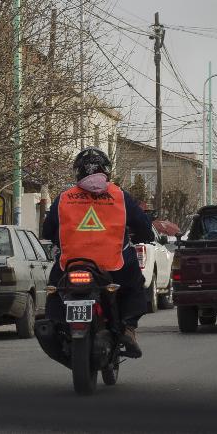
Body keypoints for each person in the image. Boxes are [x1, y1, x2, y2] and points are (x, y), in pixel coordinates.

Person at [42, 147, 154, 358]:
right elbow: (142, 225)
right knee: (134, 285)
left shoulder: (64, 198)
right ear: (107, 171)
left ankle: (56, 324)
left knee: (55, 289)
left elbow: (47, 230)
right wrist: (144, 235)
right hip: (114, 266)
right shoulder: (120, 196)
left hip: (71, 265)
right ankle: (128, 327)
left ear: (77, 171)